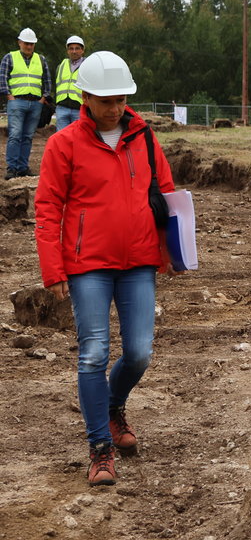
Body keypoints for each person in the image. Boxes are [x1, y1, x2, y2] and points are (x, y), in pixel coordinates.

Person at [35, 51, 177, 486]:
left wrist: (173, 249)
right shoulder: (65, 142)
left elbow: (167, 193)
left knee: (138, 353)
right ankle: (100, 448)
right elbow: (47, 207)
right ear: (85, 97)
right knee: (93, 353)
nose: (114, 108)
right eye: (105, 100)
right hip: (87, 265)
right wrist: (52, 268)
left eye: (120, 100)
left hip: (139, 262)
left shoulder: (146, 139)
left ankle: (113, 404)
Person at [2, 28, 53, 179]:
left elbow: (47, 80)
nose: (29, 46)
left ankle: (23, 168)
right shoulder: (10, 57)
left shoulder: (41, 59)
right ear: (19, 42)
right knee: (15, 135)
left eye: (32, 44)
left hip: (35, 103)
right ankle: (12, 168)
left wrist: (43, 98)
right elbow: (2, 78)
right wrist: (9, 96)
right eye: (26, 43)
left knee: (27, 137)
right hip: (16, 101)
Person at [53, 35, 86, 130]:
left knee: (79, 138)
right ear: (67, 51)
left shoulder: (88, 66)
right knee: (62, 139)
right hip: (62, 108)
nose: (74, 51)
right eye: (71, 48)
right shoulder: (61, 66)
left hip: (80, 109)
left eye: (77, 48)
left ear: (82, 50)